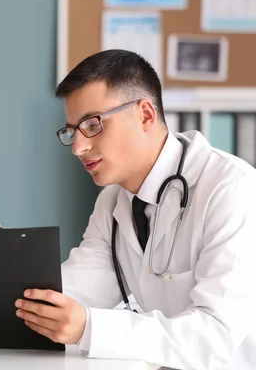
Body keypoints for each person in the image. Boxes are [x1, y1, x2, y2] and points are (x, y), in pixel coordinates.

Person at [14, 49, 256, 369]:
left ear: (145, 114)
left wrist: (90, 328)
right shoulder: (114, 199)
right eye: (73, 130)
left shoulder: (232, 190)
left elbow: (215, 337)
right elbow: (83, 286)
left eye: (93, 124)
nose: (77, 147)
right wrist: (15, 294)